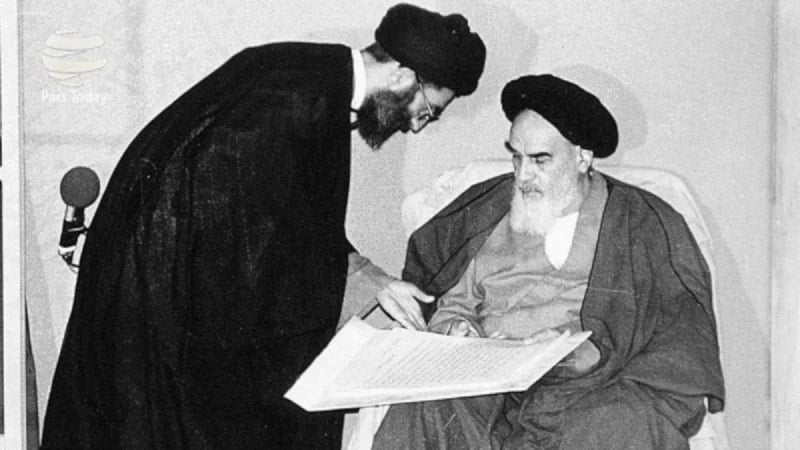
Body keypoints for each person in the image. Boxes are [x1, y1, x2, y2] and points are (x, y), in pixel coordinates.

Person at [40, 4, 486, 449]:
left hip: (164, 286)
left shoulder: (310, 74)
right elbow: (249, 255)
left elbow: (295, 223)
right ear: (402, 75)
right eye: (428, 110)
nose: (416, 126)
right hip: (160, 302)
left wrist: (375, 283)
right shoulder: (293, 103)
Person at [372, 74, 725, 449]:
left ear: (582, 157)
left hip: (590, 387)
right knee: (423, 406)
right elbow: (448, 301)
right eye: (516, 156)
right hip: (490, 388)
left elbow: (678, 335)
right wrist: (455, 329)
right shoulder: (487, 212)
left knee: (622, 422)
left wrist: (579, 350)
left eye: (540, 160)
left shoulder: (638, 222)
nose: (523, 175)